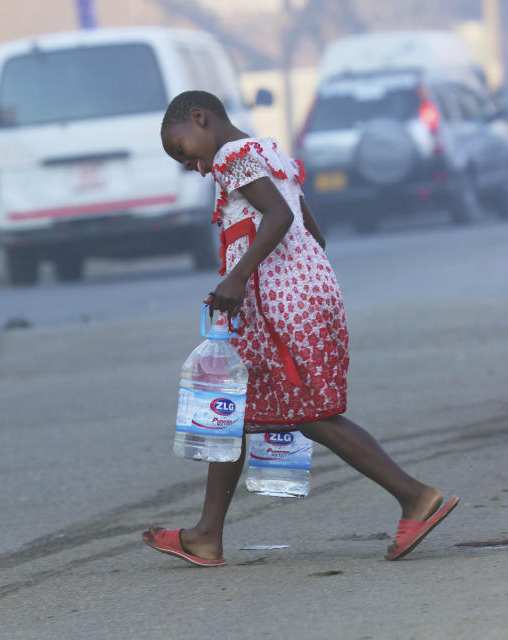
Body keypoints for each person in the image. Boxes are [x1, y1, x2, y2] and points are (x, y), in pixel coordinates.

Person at [143, 90, 458, 566]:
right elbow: (312, 229)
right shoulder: (267, 151)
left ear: (199, 118)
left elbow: (281, 215)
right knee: (236, 413)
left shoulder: (233, 156)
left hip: (277, 306)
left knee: (312, 413)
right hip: (300, 296)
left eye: (183, 152)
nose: (195, 168)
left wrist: (239, 275)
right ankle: (206, 534)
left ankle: (415, 497)